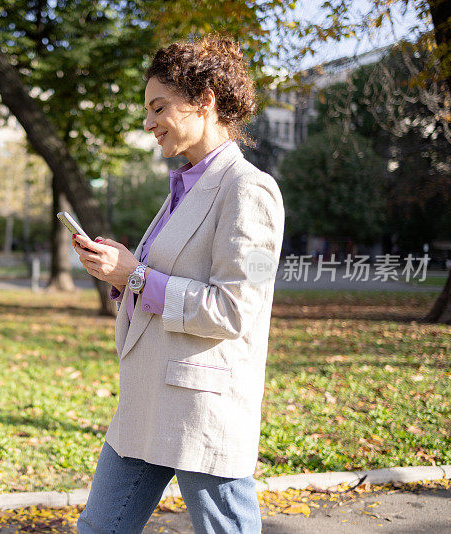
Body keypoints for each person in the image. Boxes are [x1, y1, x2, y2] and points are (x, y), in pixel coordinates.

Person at [72, 35, 284, 533]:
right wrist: (119, 274)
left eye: (159, 107)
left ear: (204, 101)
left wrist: (136, 276)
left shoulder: (251, 191)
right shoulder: (183, 188)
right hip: (144, 404)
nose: (148, 123)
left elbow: (236, 309)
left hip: (202, 406)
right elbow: (157, 284)